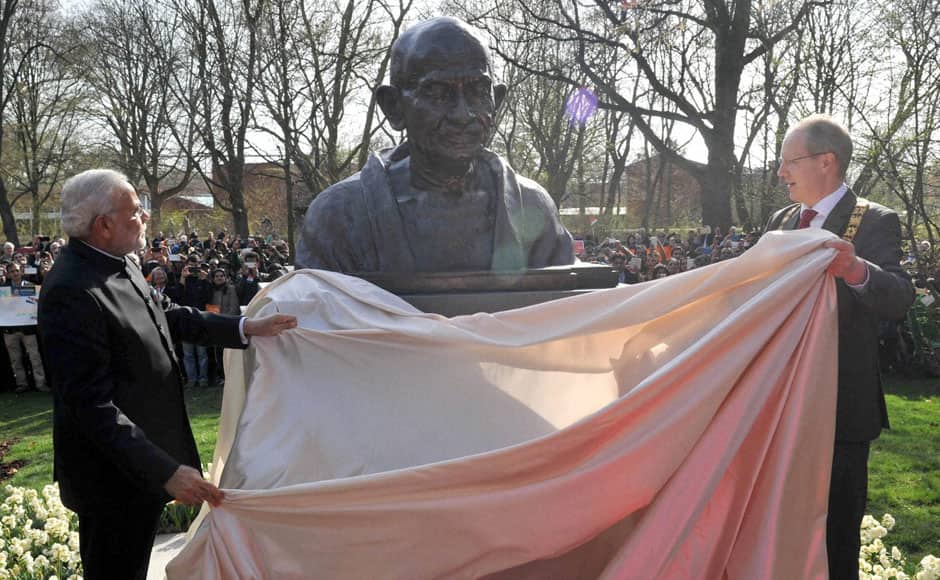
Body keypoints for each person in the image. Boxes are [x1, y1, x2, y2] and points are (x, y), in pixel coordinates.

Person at [37, 169, 297, 580]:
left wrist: (245, 328)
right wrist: (165, 471)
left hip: (136, 469)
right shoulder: (72, 289)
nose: (144, 218)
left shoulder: (116, 263)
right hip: (112, 479)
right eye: (135, 211)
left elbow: (168, 315)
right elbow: (89, 405)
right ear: (104, 225)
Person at [295, 16, 574, 273]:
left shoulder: (534, 209)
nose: (463, 115)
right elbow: (314, 317)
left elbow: (567, 314)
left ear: (496, 102)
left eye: (478, 92)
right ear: (394, 106)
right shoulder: (338, 218)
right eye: (438, 94)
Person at [766, 114, 914, 579]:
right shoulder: (781, 219)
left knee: (836, 536)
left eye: (789, 161)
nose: (781, 172)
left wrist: (856, 271)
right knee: (778, 526)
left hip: (839, 407)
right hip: (779, 401)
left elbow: (899, 296)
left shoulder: (875, 220)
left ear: (825, 161)